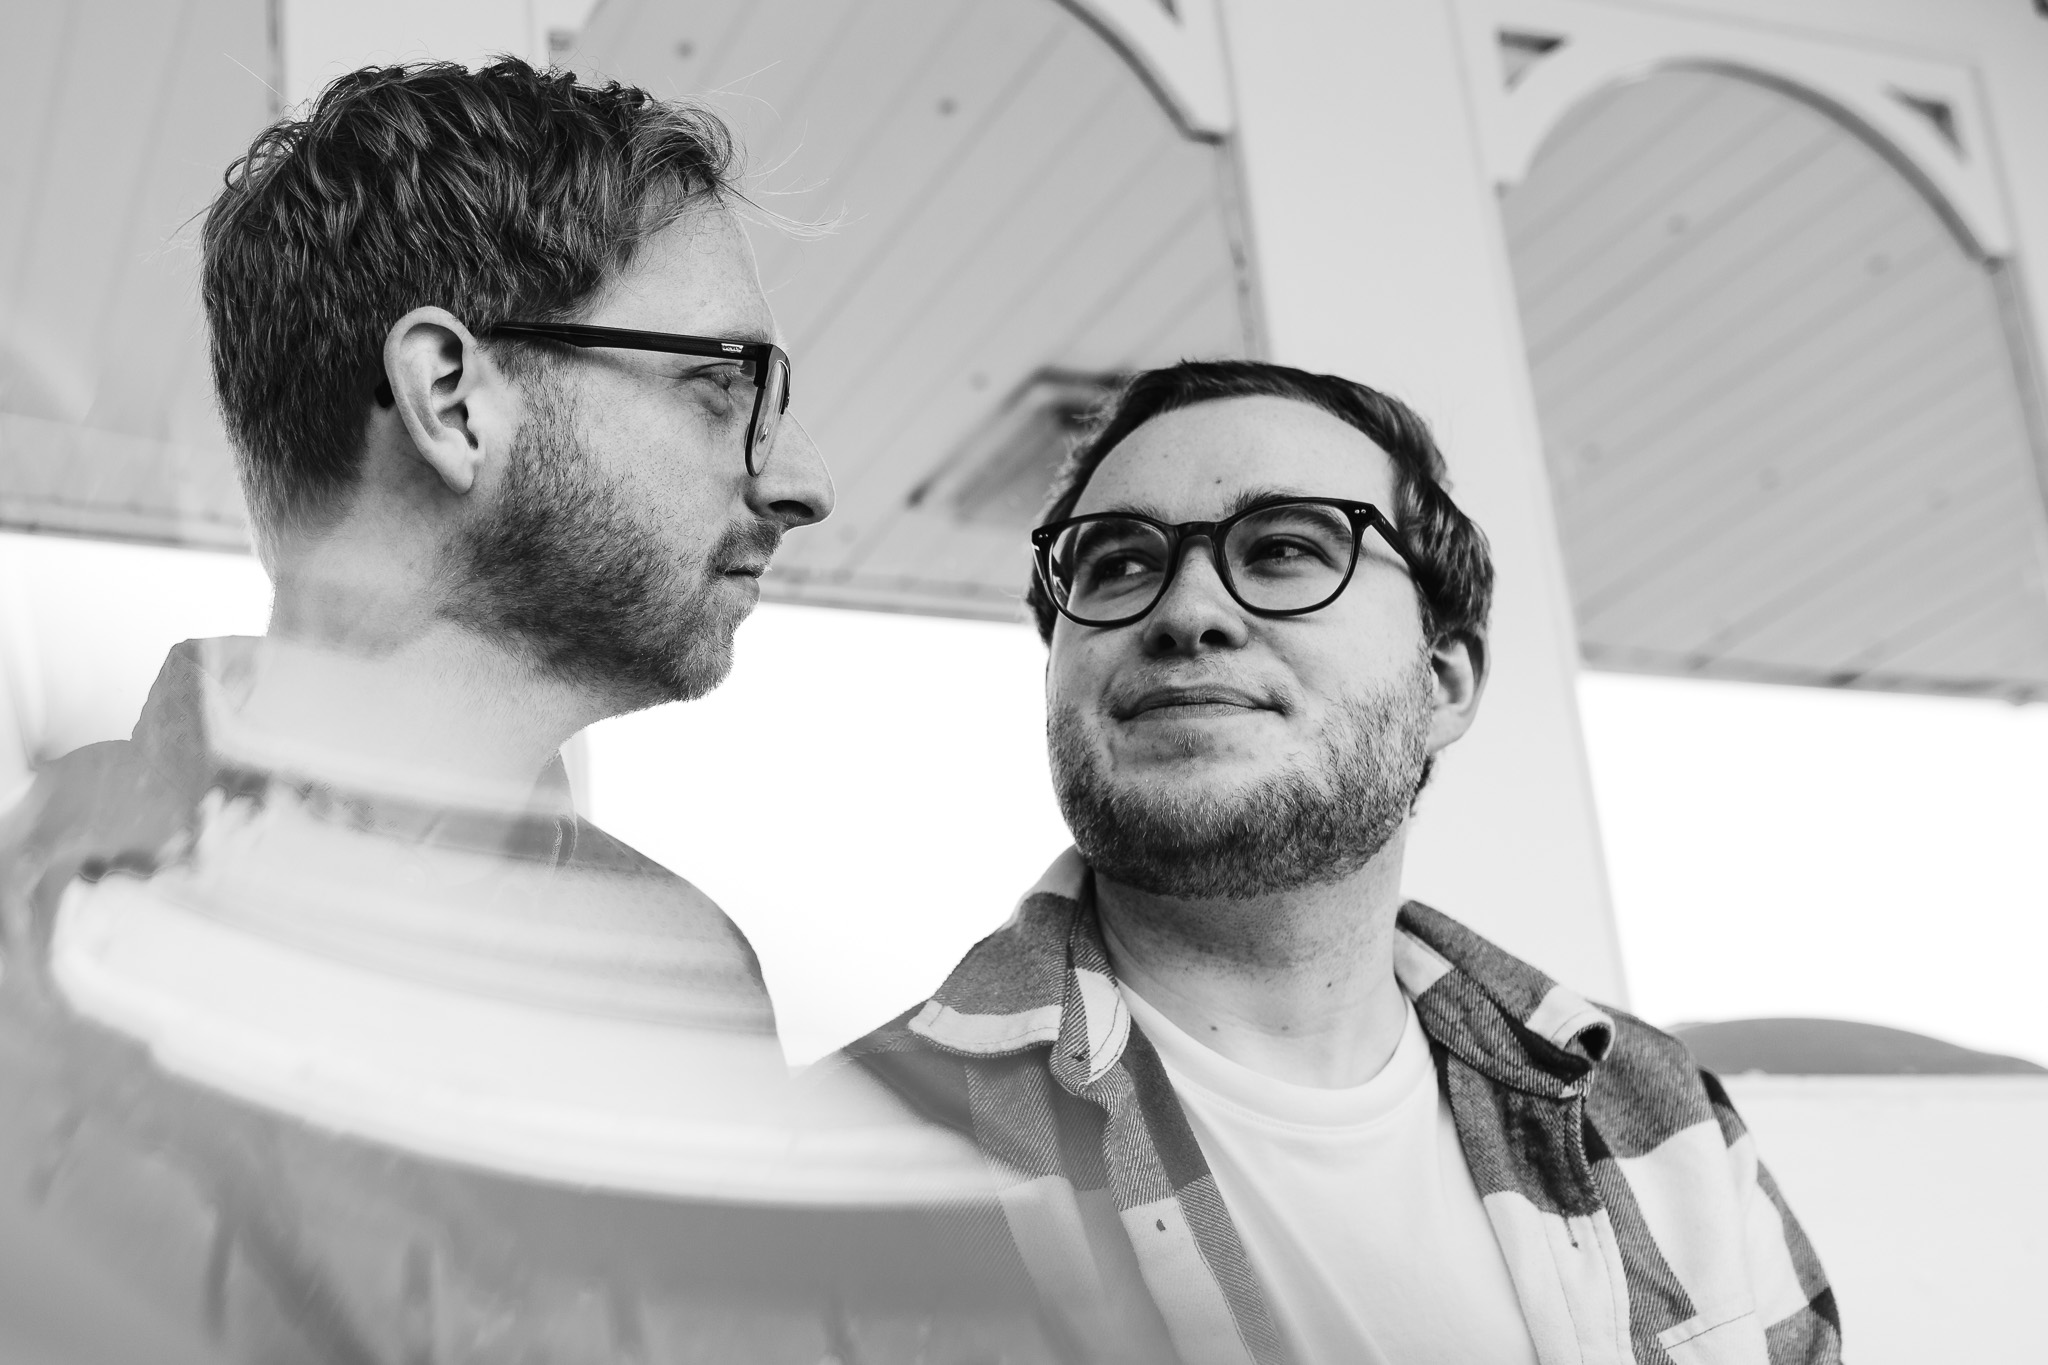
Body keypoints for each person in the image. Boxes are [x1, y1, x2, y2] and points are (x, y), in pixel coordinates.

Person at [0, 60, 1051, 1364]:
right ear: (451, 398)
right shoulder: (33, 956)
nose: (804, 482)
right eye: (721, 386)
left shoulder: (689, 965)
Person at [845, 361, 1841, 1365]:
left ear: (1442, 682)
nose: (1184, 611)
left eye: (1282, 549)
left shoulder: (1666, 1124)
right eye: (1115, 564)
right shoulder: (845, 1158)